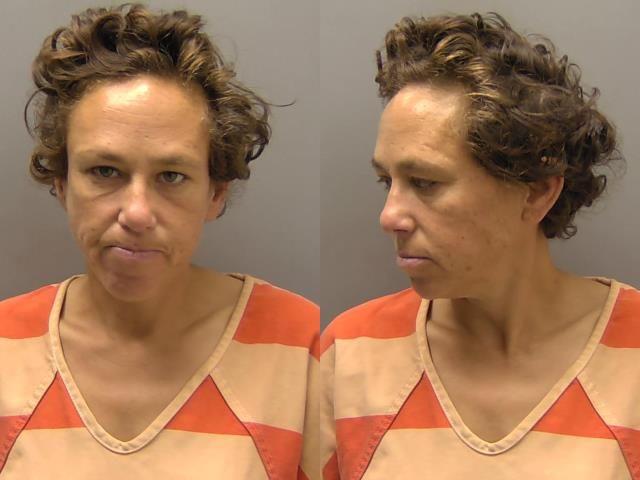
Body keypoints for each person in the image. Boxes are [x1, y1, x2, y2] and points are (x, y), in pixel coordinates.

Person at [0, 4, 318, 479]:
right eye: (104, 171)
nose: (137, 213)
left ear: (215, 193)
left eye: (171, 176)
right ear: (62, 183)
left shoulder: (303, 345)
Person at [321, 12, 639, 479]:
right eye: (387, 181)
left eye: (425, 182)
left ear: (536, 192)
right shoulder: (352, 354)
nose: (389, 217)